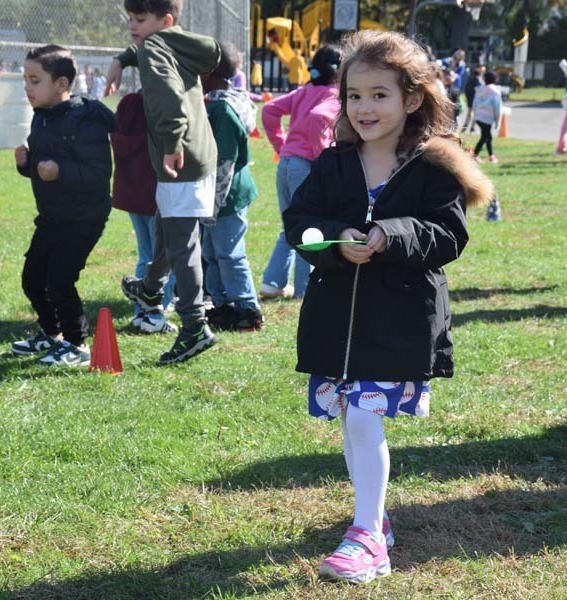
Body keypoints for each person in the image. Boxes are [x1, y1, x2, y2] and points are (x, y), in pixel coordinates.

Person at [283, 30, 492, 584]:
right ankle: (373, 516)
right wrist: (336, 239)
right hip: (335, 322)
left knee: (362, 416)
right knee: (351, 423)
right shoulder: (333, 164)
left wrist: (390, 235)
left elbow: (448, 235)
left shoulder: (434, 168)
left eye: (380, 95)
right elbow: (299, 226)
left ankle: (368, 538)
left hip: (398, 323)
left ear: (412, 98)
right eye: (354, 95)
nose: (365, 107)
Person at [104, 0, 220, 365]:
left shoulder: (153, 47)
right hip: (202, 153)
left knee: (183, 246)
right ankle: (151, 290)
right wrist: (122, 58)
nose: (132, 26)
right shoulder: (176, 43)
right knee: (167, 228)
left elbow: (169, 97)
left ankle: (194, 327)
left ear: (165, 20)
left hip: (179, 157)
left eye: (140, 19)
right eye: (130, 19)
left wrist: (170, 144)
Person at [12, 45, 115, 366]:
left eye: (35, 80)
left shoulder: (86, 120)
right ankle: (51, 333)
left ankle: (76, 343)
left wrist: (61, 171)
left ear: (61, 84)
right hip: (52, 216)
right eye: (25, 80)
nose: (27, 87)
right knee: (32, 278)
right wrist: (26, 165)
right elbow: (43, 169)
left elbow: (99, 173)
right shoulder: (42, 117)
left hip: (84, 218)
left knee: (59, 280)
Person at [260, 44, 342, 301]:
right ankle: (304, 289)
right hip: (305, 166)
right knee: (310, 227)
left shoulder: (304, 91)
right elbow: (318, 117)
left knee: (291, 225)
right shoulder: (336, 95)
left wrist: (281, 145)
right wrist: (322, 156)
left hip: (286, 163)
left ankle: (272, 284)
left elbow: (269, 110)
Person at [200, 41, 263, 332]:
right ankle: (223, 305)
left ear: (207, 72)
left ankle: (248, 309)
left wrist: (212, 207)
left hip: (227, 196)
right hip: (215, 196)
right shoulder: (215, 102)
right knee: (212, 254)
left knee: (229, 254)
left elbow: (224, 164)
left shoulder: (223, 110)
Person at [112, 91, 177, 334]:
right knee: (163, 257)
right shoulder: (162, 104)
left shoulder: (128, 104)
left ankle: (141, 310)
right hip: (157, 191)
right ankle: (156, 310)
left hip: (132, 192)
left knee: (146, 254)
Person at [472, 70, 502, 163]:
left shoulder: (479, 89)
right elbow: (497, 108)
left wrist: (474, 116)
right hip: (487, 118)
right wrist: (497, 121)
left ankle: (491, 155)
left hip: (478, 116)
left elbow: (474, 104)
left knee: (488, 136)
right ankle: (474, 155)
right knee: (485, 136)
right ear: (495, 79)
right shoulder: (495, 91)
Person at [461, 64, 484, 133]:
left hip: (470, 99)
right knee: (475, 114)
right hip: (477, 100)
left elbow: (466, 89)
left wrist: (467, 97)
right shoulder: (480, 82)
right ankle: (472, 127)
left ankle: (465, 126)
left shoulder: (470, 81)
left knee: (469, 113)